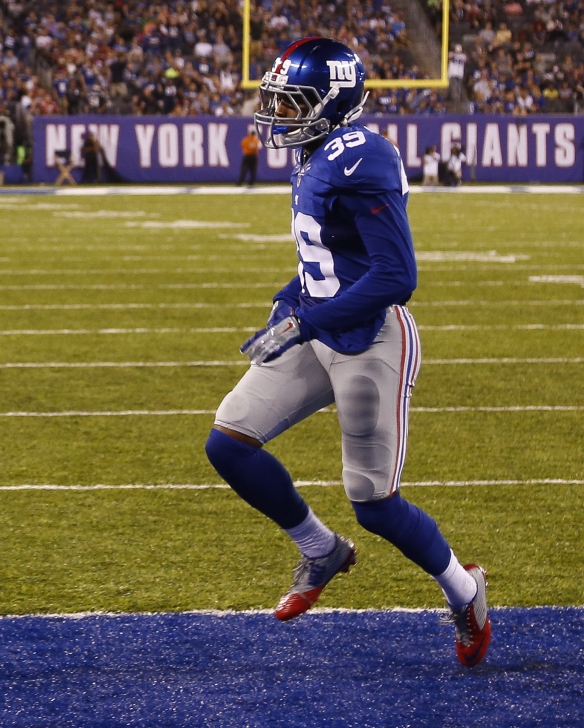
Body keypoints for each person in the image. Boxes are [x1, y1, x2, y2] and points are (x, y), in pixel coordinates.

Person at [207, 37, 491, 667]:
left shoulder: (362, 153)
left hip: (370, 338)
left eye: (296, 102)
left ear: (334, 102)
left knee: (375, 505)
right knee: (228, 441)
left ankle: (465, 592)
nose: (280, 113)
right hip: (319, 325)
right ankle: (319, 550)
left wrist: (305, 324)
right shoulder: (313, 151)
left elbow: (395, 276)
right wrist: (289, 301)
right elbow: (326, 259)